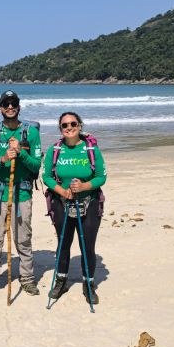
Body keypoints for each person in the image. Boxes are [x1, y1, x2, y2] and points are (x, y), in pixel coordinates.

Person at [0, 90, 42, 298]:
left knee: (23, 240)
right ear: (0, 109)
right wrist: (4, 158)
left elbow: (36, 166)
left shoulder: (30, 133)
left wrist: (21, 153)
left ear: (19, 107)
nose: (10, 107)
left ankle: (27, 279)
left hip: (22, 194)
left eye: (14, 103)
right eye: (6, 104)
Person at [42, 112, 107, 303]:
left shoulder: (91, 150)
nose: (69, 127)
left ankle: (89, 285)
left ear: (80, 126)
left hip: (90, 202)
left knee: (87, 245)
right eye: (64, 125)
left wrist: (85, 186)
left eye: (73, 123)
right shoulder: (55, 149)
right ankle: (61, 281)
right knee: (63, 243)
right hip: (61, 202)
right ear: (60, 129)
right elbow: (46, 176)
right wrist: (61, 191)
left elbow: (101, 177)